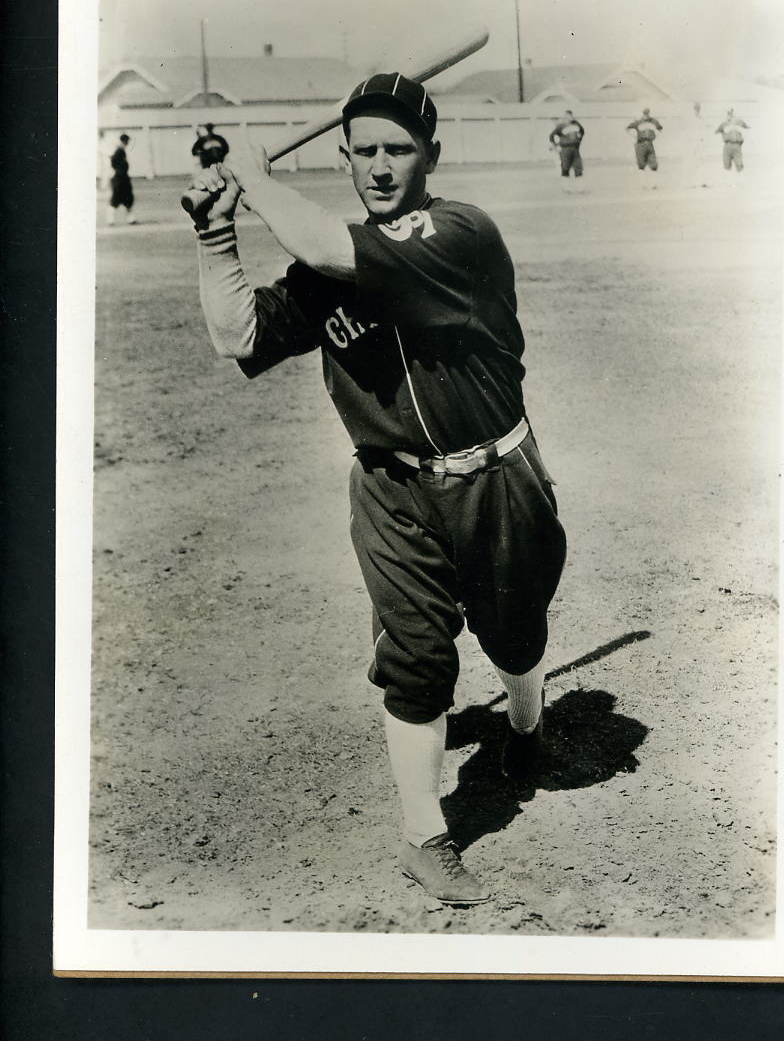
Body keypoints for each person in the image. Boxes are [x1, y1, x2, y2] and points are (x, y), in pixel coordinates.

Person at [184, 72, 567, 907]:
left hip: (495, 476)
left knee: (514, 634)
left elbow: (328, 247)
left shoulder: (460, 232)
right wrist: (217, 239)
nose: (382, 166)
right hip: (391, 492)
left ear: (431, 154)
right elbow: (235, 336)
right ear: (345, 157)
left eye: (399, 148)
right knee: (417, 659)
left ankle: (525, 722)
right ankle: (425, 835)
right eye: (365, 151)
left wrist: (252, 177)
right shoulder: (326, 266)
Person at [548, 109, 585, 192]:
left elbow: (582, 132)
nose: (568, 117)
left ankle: (580, 188)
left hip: (575, 149)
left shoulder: (577, 125)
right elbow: (551, 136)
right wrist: (555, 146)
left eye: (570, 115)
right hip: (565, 149)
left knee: (578, 167)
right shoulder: (561, 126)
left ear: (572, 116)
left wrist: (578, 140)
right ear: (564, 117)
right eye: (566, 116)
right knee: (565, 168)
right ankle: (566, 188)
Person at [626, 107, 663, 187]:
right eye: (644, 113)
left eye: (647, 113)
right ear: (642, 114)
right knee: (641, 165)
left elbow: (660, 128)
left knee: (654, 164)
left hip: (650, 143)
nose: (646, 115)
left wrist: (655, 136)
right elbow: (628, 128)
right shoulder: (638, 122)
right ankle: (643, 184)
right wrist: (634, 136)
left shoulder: (653, 121)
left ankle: (654, 184)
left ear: (649, 113)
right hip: (640, 144)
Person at [107, 133, 136, 226]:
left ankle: (129, 219)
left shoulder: (120, 150)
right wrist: (118, 170)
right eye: (127, 141)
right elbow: (113, 161)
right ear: (124, 141)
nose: (127, 143)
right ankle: (111, 219)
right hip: (120, 178)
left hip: (122, 177)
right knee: (118, 198)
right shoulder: (119, 150)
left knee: (127, 198)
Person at [715, 109, 750, 179]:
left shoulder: (739, 122)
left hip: (737, 145)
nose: (730, 115)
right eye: (728, 113)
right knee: (726, 165)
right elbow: (716, 131)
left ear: (733, 114)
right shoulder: (723, 124)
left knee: (739, 165)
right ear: (726, 115)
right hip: (727, 145)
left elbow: (747, 128)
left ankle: (741, 181)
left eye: (731, 113)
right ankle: (728, 182)